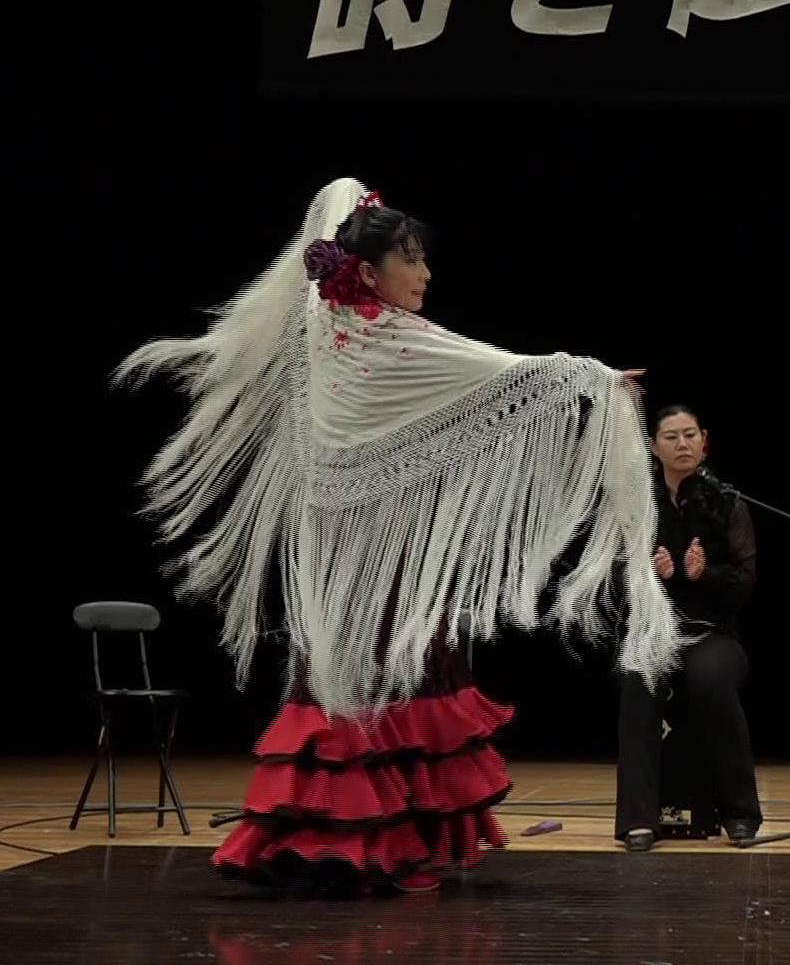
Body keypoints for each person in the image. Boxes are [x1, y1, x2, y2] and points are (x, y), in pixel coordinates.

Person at [117, 179, 682, 894]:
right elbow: (502, 372)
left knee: (409, 673)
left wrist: (585, 382)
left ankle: (404, 843)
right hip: (356, 559)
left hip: (393, 555)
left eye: (422, 258)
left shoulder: (383, 333)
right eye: (410, 259)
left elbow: (493, 370)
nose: (425, 273)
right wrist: (590, 380)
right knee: (358, 679)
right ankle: (340, 844)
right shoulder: (343, 335)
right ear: (367, 271)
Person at [615, 406, 762, 850]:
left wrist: (704, 575)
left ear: (704, 440)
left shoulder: (728, 502)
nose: (683, 444)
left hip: (714, 632)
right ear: (654, 447)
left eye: (690, 434)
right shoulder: (638, 504)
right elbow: (615, 581)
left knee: (709, 675)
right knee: (639, 674)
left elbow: (745, 583)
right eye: (671, 437)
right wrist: (649, 574)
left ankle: (740, 812)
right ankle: (639, 819)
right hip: (656, 632)